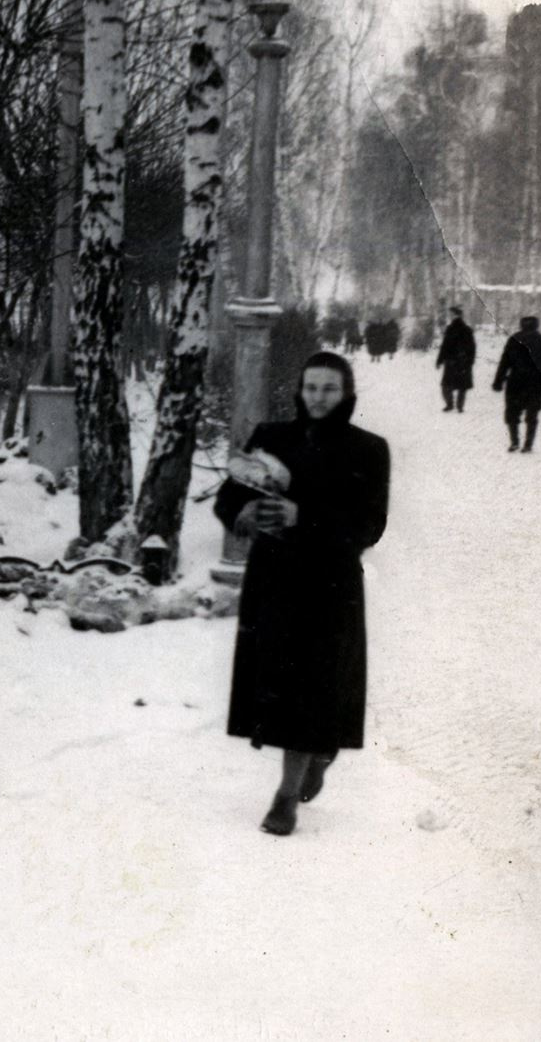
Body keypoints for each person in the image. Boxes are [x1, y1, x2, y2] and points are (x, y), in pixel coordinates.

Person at [214, 352, 391, 837]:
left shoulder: (368, 450)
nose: (317, 397)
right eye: (311, 386)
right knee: (281, 686)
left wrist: (303, 517)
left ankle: (285, 796)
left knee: (316, 685)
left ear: (346, 394)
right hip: (273, 580)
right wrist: (245, 512)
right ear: (299, 390)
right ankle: (316, 752)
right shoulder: (270, 438)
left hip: (331, 586)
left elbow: (369, 526)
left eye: (328, 388)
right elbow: (228, 499)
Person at [491, 316, 541, 453]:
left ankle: (514, 441)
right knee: (532, 415)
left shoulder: (514, 339)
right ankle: (528, 444)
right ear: (536, 325)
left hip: (516, 382)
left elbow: (505, 362)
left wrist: (498, 381)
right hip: (535, 383)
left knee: (512, 414)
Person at [436, 306, 475, 411]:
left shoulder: (451, 329)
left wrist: (439, 360)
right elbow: (472, 348)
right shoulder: (467, 330)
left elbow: (444, 346)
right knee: (462, 386)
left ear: (455, 315)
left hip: (451, 362)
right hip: (463, 362)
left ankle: (450, 404)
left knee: (446, 385)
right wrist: (470, 361)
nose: (450, 316)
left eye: (451, 314)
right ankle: (460, 406)